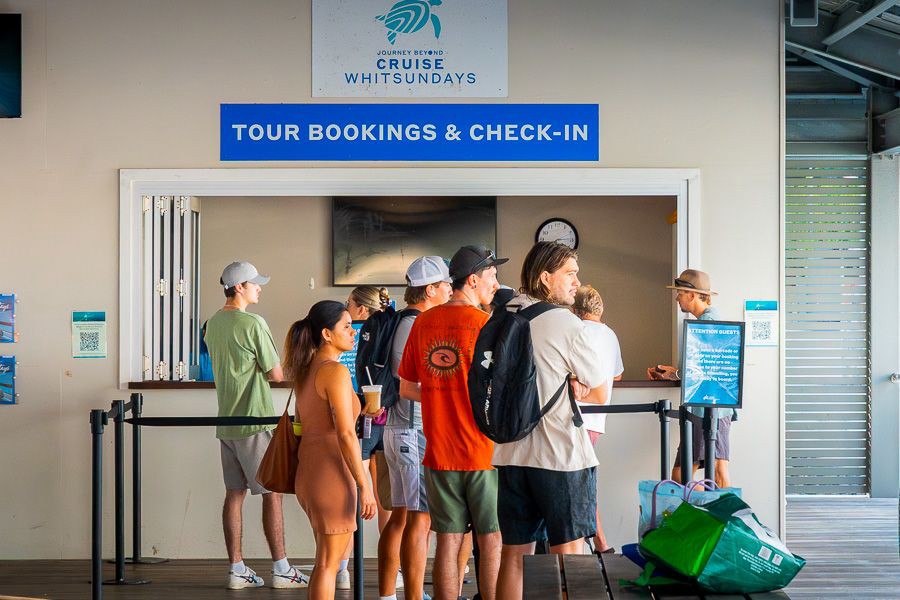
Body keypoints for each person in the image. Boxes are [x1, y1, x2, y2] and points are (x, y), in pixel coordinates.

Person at [493, 242, 610, 600]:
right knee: (569, 553)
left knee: (514, 554)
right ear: (546, 278)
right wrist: (576, 387)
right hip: (559, 455)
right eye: (570, 274)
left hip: (510, 454)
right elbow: (600, 392)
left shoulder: (502, 315)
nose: (577, 282)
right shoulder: (564, 322)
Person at [399, 245, 506, 600]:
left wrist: (439, 393)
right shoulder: (486, 324)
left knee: (447, 538)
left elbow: (408, 386)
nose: (496, 283)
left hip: (438, 449)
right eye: (492, 276)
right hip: (482, 451)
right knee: (490, 537)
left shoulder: (423, 322)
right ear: (473, 280)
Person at [204, 261, 309, 590]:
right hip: (255, 418)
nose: (259, 287)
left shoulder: (212, 324)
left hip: (227, 423)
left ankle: (236, 568)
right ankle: (282, 569)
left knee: (234, 494)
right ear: (239, 288)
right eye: (254, 283)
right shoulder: (253, 323)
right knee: (273, 493)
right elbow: (276, 374)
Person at [284, 300, 379, 600]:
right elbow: (345, 433)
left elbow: (303, 424)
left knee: (324, 561)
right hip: (332, 474)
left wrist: (359, 410)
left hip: (310, 470)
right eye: (347, 327)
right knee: (329, 563)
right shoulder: (335, 372)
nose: (353, 333)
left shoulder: (306, 369)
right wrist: (365, 486)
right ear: (326, 334)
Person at [378, 256, 452, 600]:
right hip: (411, 428)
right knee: (419, 519)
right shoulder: (414, 325)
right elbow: (408, 378)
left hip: (403, 429)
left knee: (405, 516)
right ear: (431, 289)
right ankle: (412, 595)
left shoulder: (408, 320)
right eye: (447, 285)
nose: (451, 290)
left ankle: (390, 595)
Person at [647, 269, 735, 488]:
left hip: (707, 408)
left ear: (693, 295)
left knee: (713, 472)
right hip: (706, 407)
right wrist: (674, 371)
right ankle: (709, 514)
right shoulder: (705, 322)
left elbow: (704, 368)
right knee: (685, 474)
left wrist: (676, 373)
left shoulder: (708, 322)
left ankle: (721, 518)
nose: (677, 298)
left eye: (680, 293)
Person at [343, 285, 393, 588]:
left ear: (362, 309)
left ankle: (343, 569)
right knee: (386, 500)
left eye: (349, 302)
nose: (345, 307)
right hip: (388, 419)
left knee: (355, 496)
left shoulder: (351, 333)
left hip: (362, 421)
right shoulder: (391, 326)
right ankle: (392, 571)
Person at [571, 285, 624, 554]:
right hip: (597, 420)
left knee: (581, 483)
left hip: (576, 416)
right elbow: (616, 376)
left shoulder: (576, 331)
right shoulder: (610, 334)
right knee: (584, 480)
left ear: (575, 309)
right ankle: (599, 543)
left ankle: (597, 544)